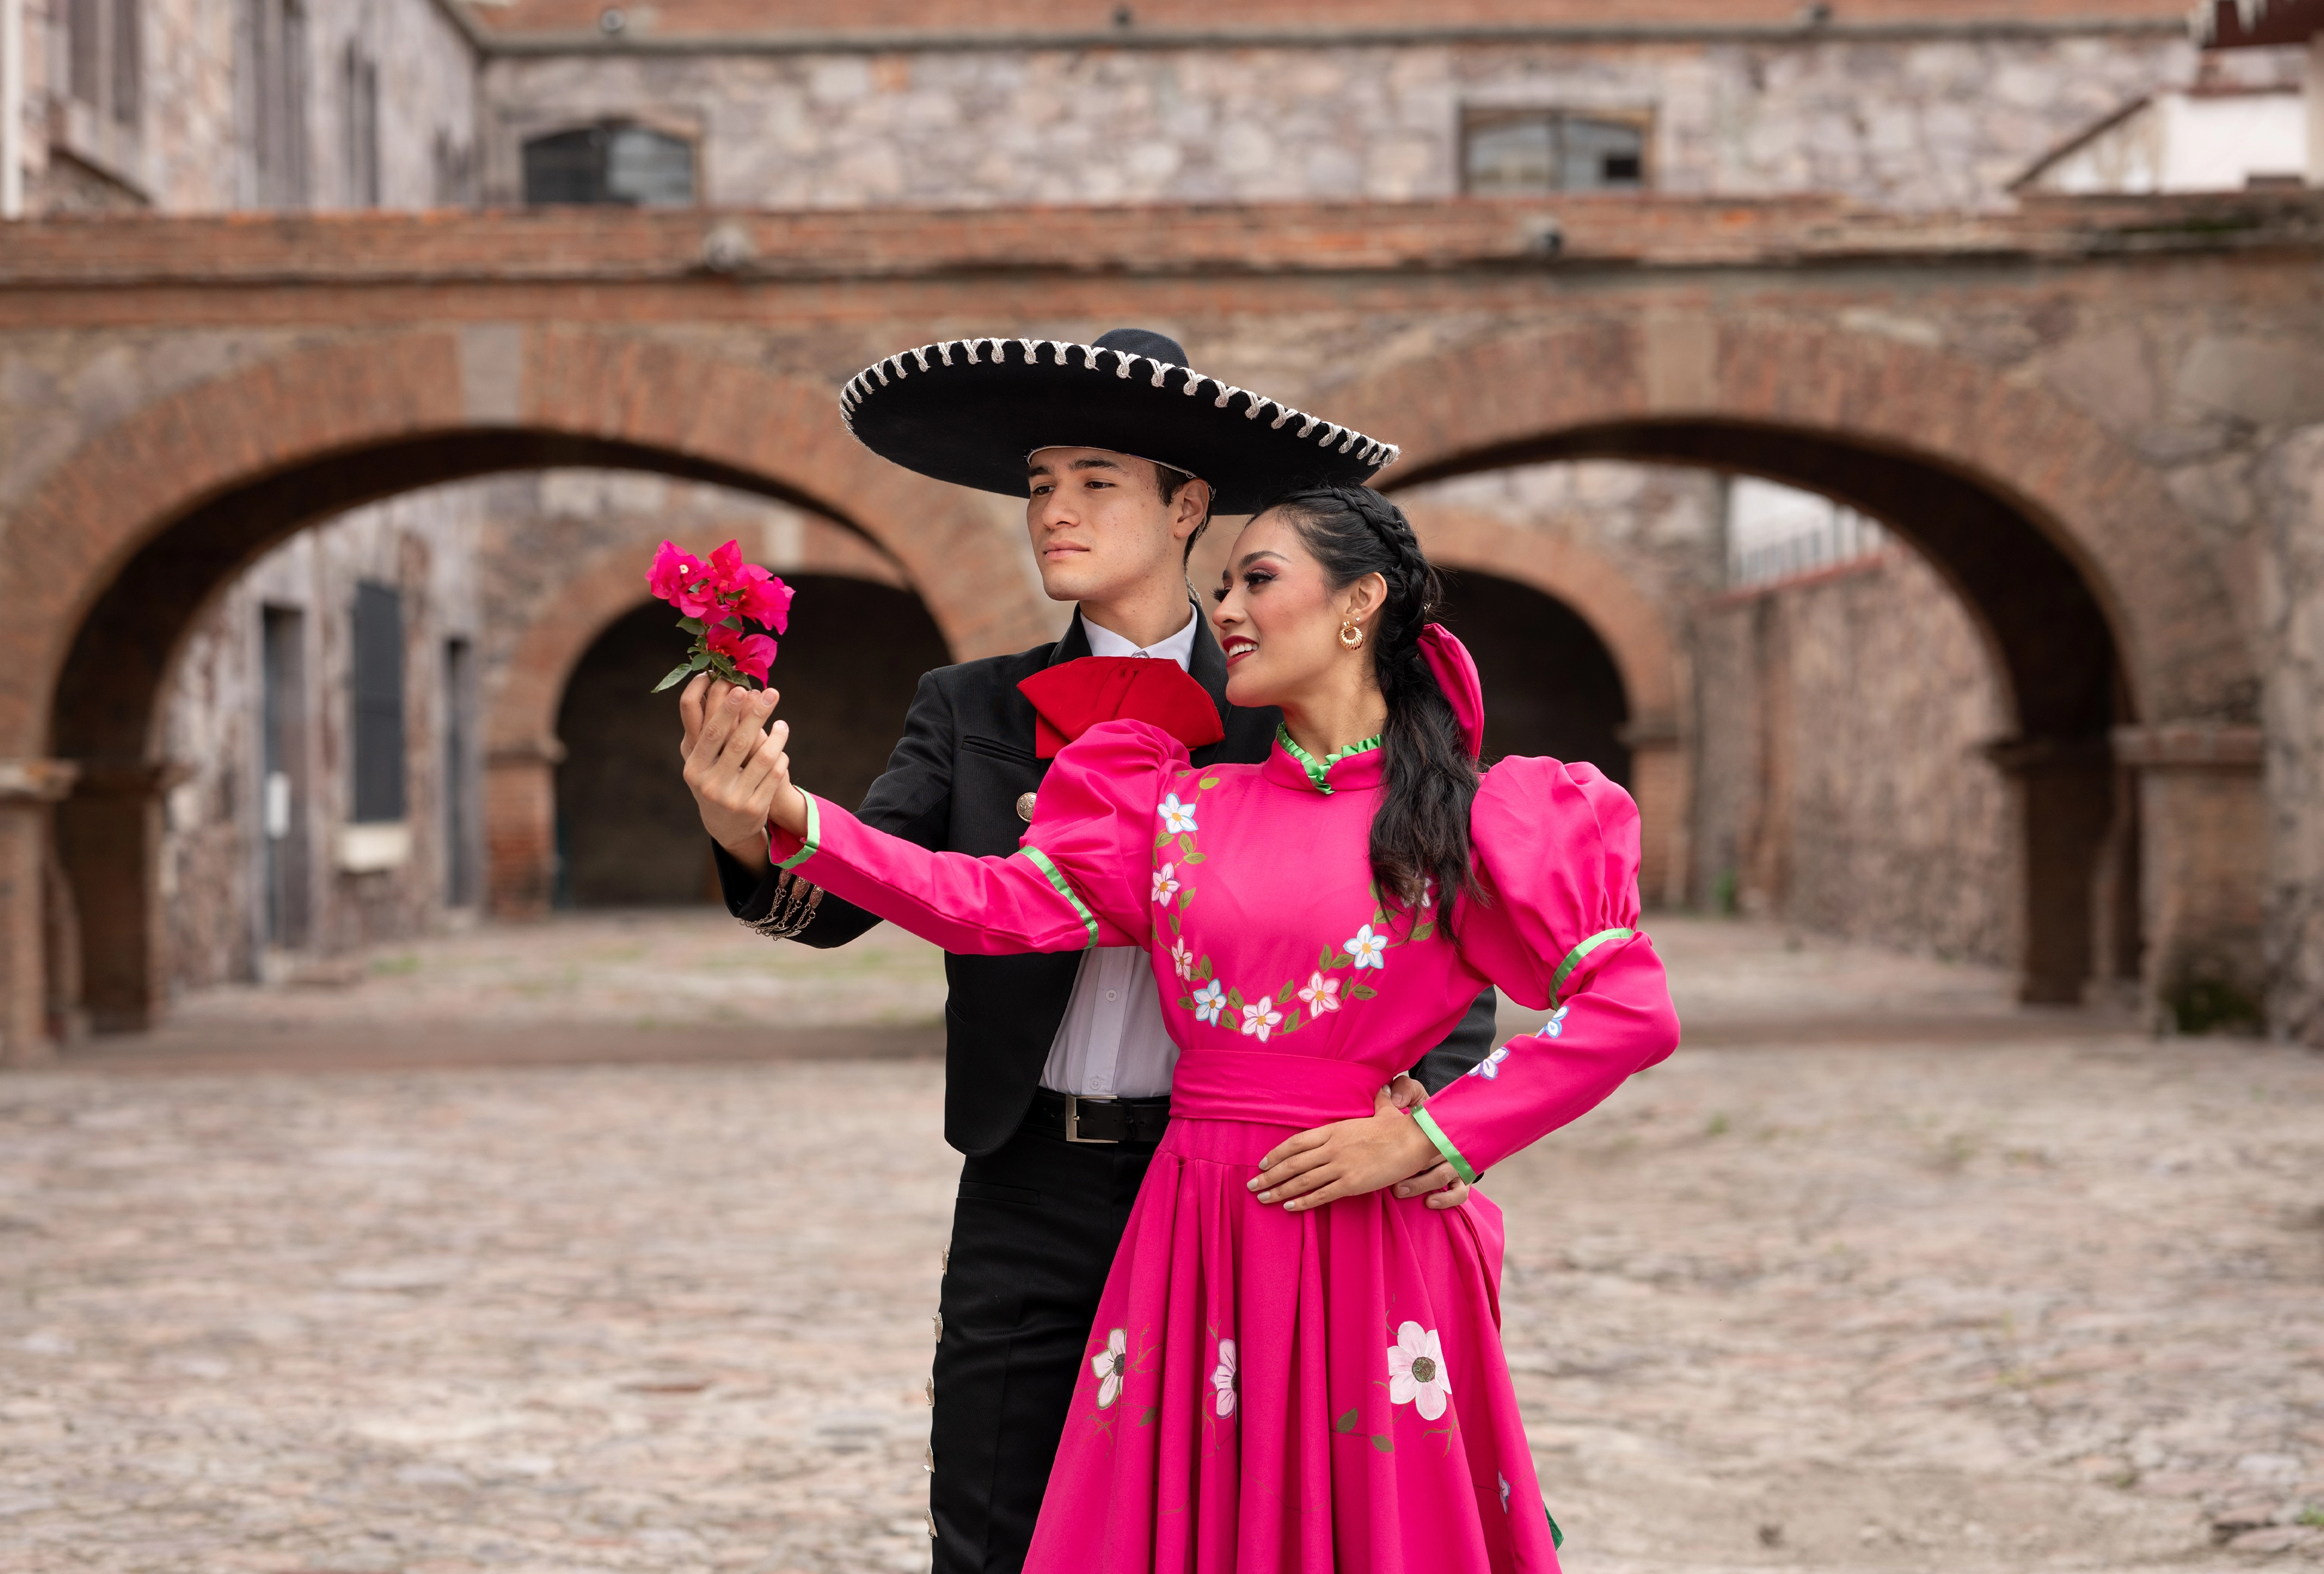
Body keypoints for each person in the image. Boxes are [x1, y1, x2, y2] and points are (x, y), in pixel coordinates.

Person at [691, 481, 1682, 1571]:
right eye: (1225, 588)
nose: (1232, 610)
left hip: (1362, 1235)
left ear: (1361, 604)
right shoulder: (1177, 808)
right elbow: (982, 903)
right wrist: (788, 815)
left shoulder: (1478, 814)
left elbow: (1627, 1007)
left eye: (1259, 580)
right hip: (1187, 1236)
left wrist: (1432, 1135)